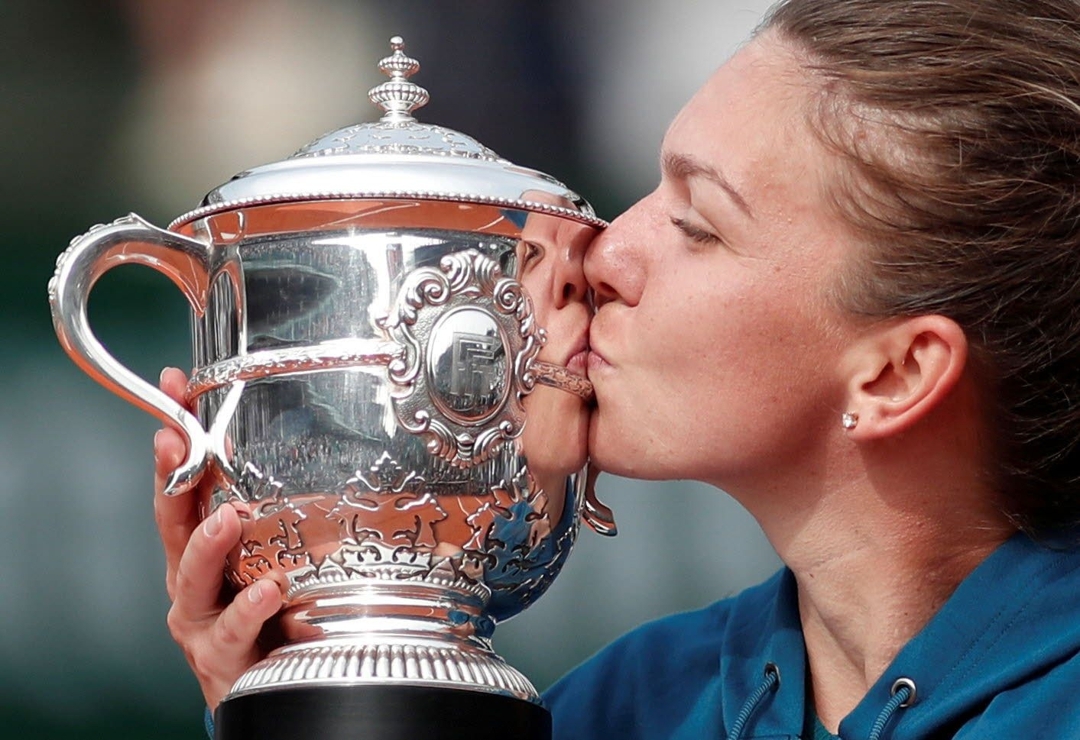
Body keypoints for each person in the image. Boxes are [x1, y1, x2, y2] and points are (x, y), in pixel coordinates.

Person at [154, 0, 1080, 737]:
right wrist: (310, 707)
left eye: (698, 226)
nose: (602, 255)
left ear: (895, 375)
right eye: (650, 190)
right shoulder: (625, 702)